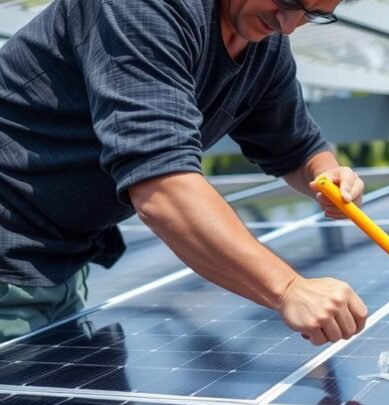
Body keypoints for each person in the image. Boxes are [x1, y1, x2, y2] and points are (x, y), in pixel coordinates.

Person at [0, 0, 367, 345]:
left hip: (59, 261)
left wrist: (328, 175)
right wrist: (288, 289)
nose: (288, 26)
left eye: (314, 14)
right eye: (288, 1)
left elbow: (298, 148)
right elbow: (161, 185)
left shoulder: (263, 47)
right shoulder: (146, 9)